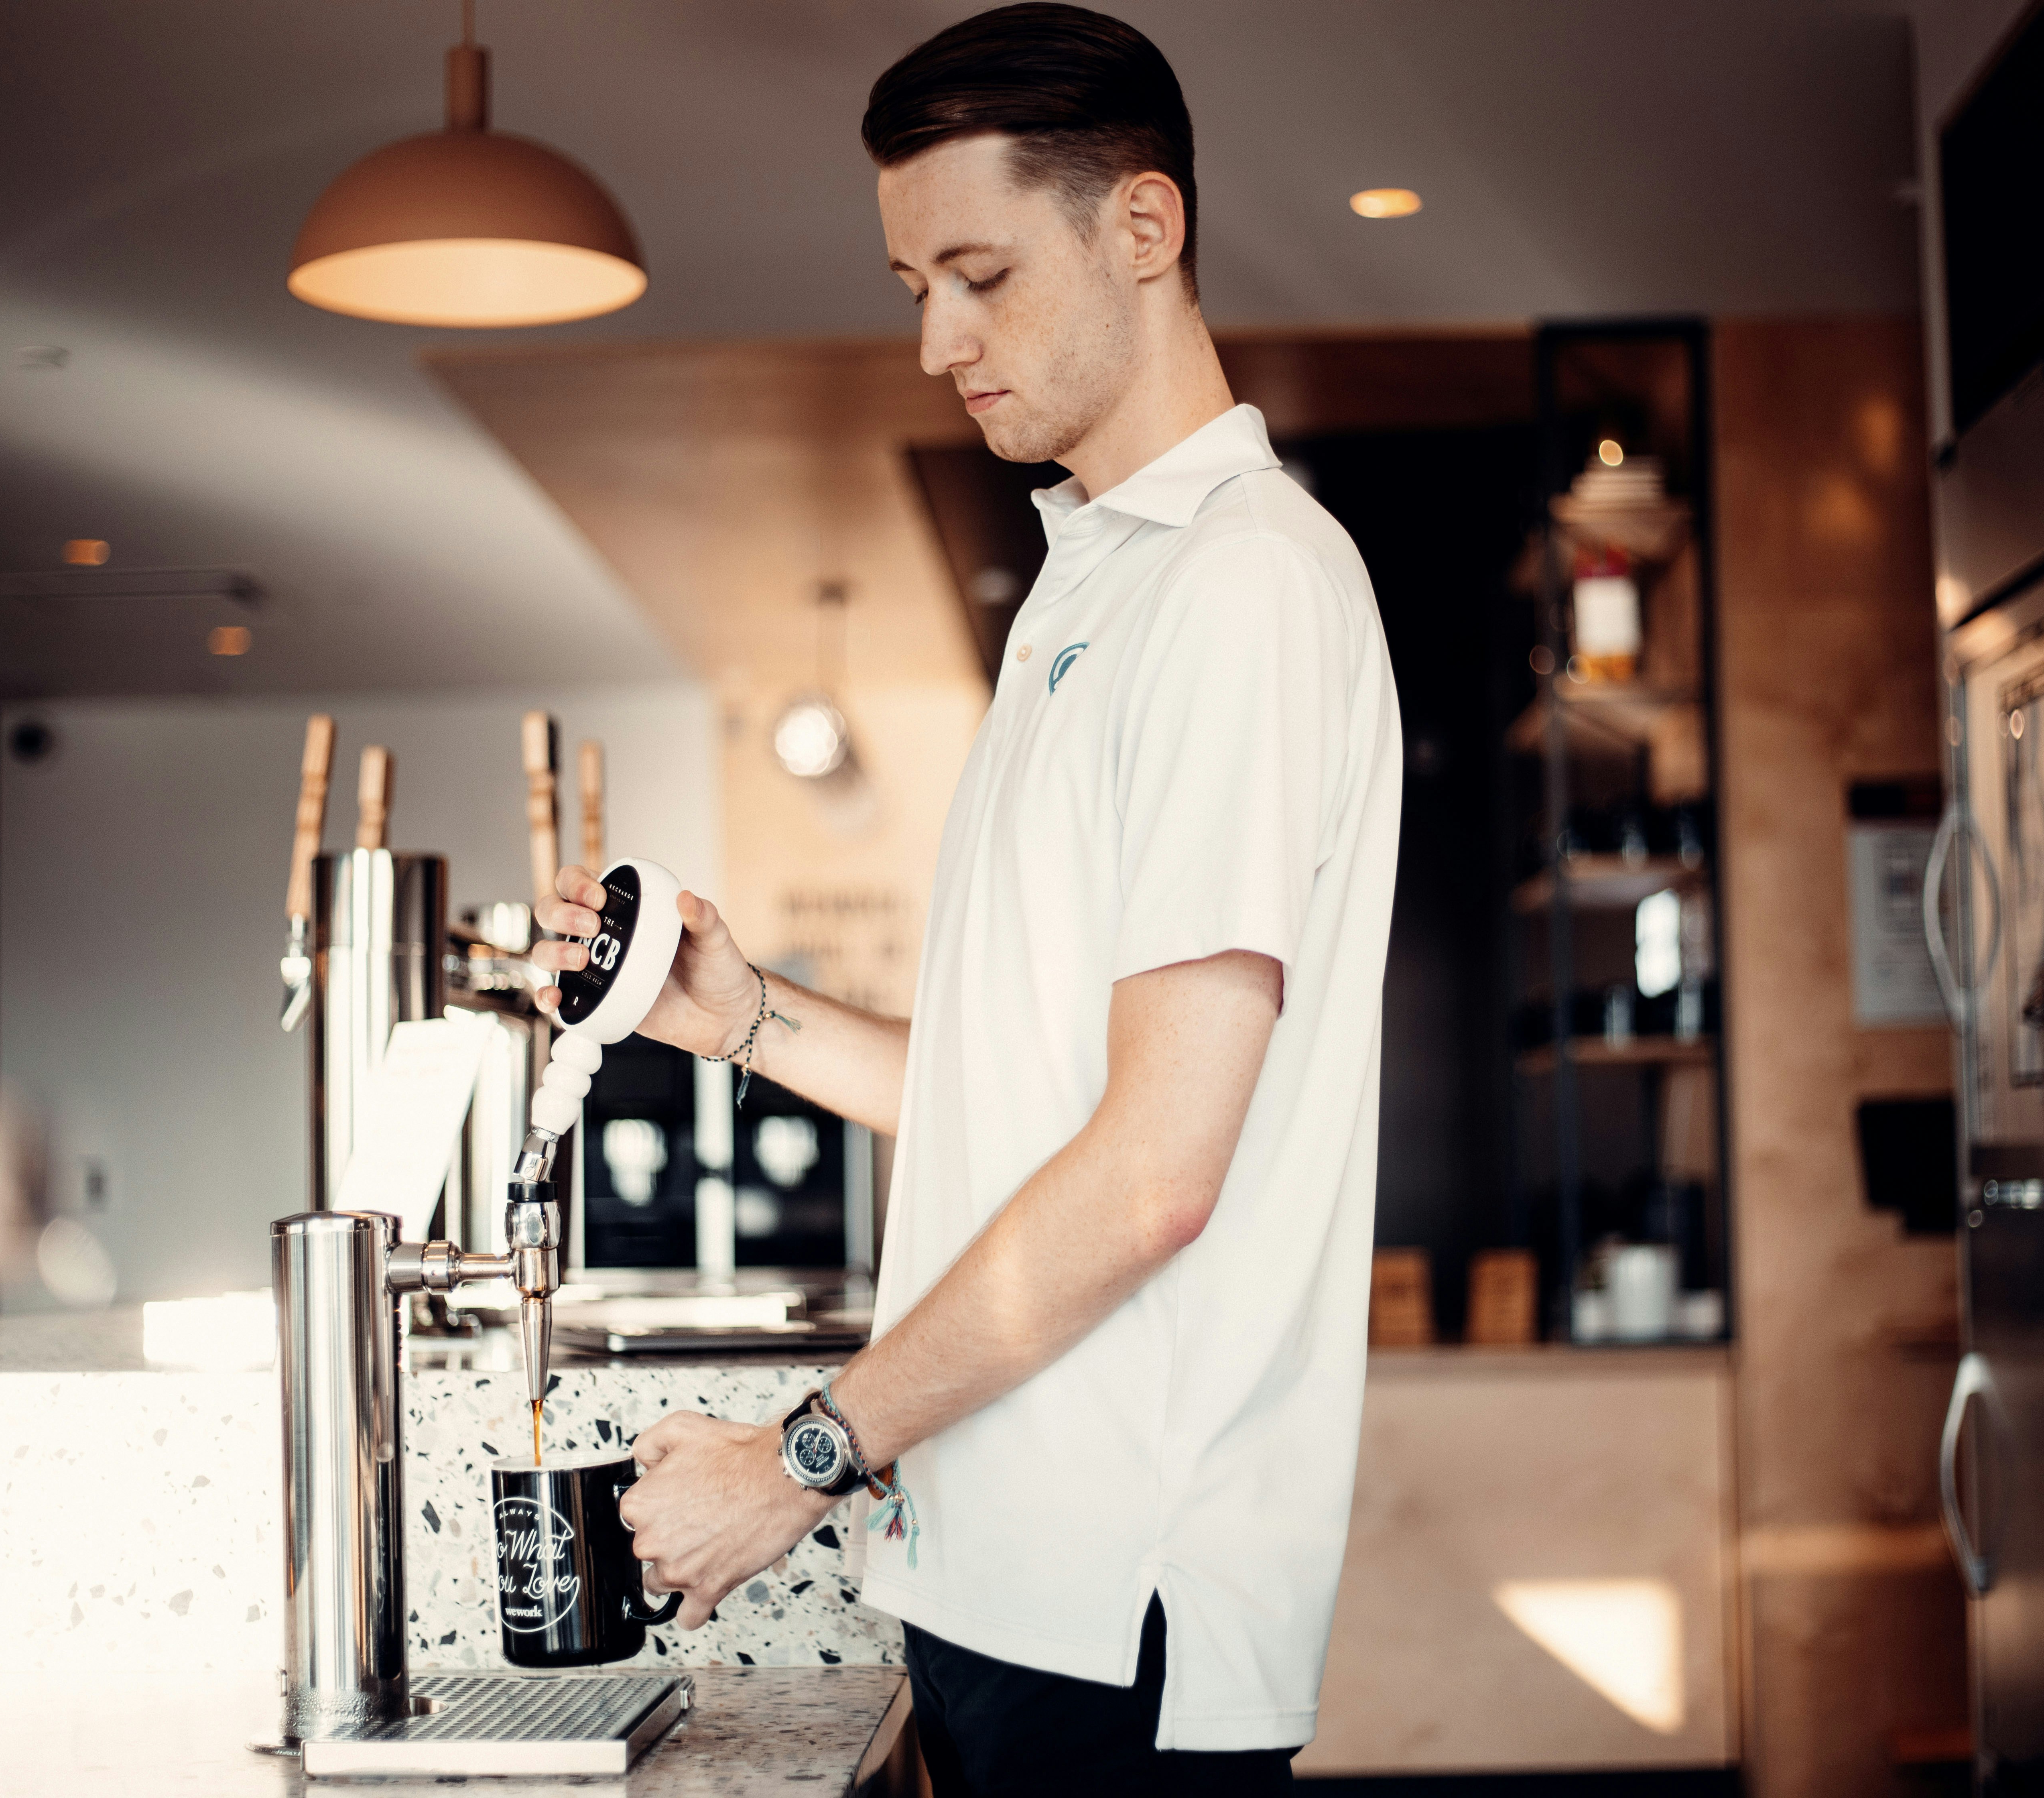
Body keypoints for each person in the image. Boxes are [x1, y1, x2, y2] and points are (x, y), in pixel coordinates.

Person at [530, 6, 1401, 1791]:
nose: (938, 342)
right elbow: (1034, 1105)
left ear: (1142, 230)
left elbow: (1154, 1173)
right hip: (1009, 1572)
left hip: (1122, 1599)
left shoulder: (1243, 589)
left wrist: (795, 1459)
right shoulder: (1092, 589)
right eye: (915, 284)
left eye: (981, 275)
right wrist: (744, 1015)